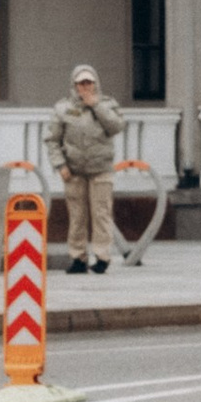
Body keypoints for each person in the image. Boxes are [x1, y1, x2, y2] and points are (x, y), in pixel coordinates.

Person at [44, 66, 123, 271]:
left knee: (101, 213)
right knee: (77, 216)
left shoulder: (107, 104)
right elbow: (52, 140)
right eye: (81, 83)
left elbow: (116, 127)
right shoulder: (63, 108)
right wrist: (60, 165)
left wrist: (96, 106)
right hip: (74, 171)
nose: (85, 87)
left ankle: (102, 257)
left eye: (89, 82)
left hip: (101, 169)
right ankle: (78, 257)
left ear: (96, 83)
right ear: (74, 85)